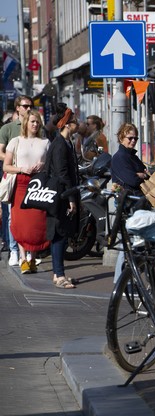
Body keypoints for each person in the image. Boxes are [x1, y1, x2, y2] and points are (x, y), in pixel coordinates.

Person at [3, 110, 50, 274]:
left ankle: (33, 258)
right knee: (21, 222)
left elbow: (50, 165)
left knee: (37, 222)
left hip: (38, 184)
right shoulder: (16, 141)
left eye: (37, 122)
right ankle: (23, 258)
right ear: (26, 123)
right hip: (21, 183)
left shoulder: (45, 142)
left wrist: (42, 166)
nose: (35, 124)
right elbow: (6, 166)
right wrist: (22, 168)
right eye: (32, 121)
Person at [46, 105, 80, 289]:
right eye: (74, 120)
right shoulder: (60, 144)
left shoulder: (66, 142)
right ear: (66, 124)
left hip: (63, 194)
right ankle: (58, 275)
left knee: (62, 234)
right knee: (59, 235)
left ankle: (59, 272)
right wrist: (71, 199)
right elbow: (62, 173)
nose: (78, 123)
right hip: (61, 196)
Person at [0, 95, 34, 266]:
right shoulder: (8, 129)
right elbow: (0, 153)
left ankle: (30, 252)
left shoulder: (35, 127)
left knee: (31, 214)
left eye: (30, 105)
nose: (28, 108)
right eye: (25, 106)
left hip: (32, 177)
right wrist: (14, 161)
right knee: (12, 217)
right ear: (18, 108)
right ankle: (14, 250)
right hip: (14, 175)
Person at [111, 123, 148, 192]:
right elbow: (133, 181)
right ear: (121, 138)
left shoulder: (133, 156)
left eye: (135, 138)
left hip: (138, 198)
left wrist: (141, 175)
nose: (133, 140)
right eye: (130, 138)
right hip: (128, 199)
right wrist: (141, 175)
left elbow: (146, 172)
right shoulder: (119, 157)